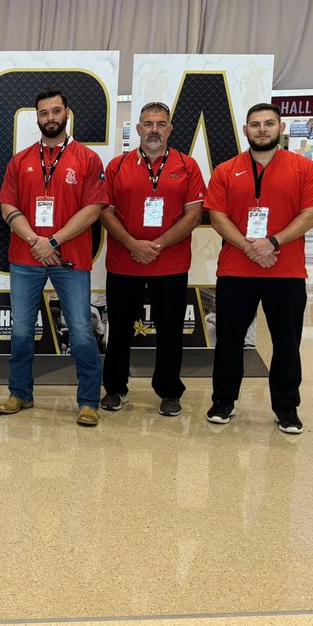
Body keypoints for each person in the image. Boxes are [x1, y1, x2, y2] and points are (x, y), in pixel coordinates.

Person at [204, 103, 313, 434]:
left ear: (280, 128)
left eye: (268, 123)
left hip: (285, 273)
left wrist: (272, 242)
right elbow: (217, 216)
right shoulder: (226, 170)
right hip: (236, 271)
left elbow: (311, 214)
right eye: (255, 124)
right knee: (229, 340)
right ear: (245, 130)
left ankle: (286, 407)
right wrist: (249, 247)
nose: (262, 129)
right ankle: (223, 401)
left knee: (287, 343)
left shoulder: (303, 168)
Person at [0, 89, 107, 426]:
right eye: (44, 113)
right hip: (26, 257)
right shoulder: (21, 160)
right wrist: (35, 240)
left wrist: (54, 240)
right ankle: (20, 393)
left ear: (67, 113)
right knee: (22, 332)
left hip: (70, 259)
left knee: (82, 332)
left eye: (55, 111)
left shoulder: (87, 159)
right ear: (37, 117)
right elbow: (7, 207)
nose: (50, 118)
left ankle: (88, 401)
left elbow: (93, 209)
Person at [99, 102, 206, 417]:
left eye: (161, 124)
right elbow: (104, 210)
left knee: (171, 330)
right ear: (138, 129)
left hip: (170, 264)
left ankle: (170, 391)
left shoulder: (188, 166)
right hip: (124, 262)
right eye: (148, 123)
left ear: (170, 129)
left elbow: (194, 214)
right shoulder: (117, 166)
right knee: (118, 330)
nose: (154, 129)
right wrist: (133, 243)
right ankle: (116, 389)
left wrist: (155, 245)